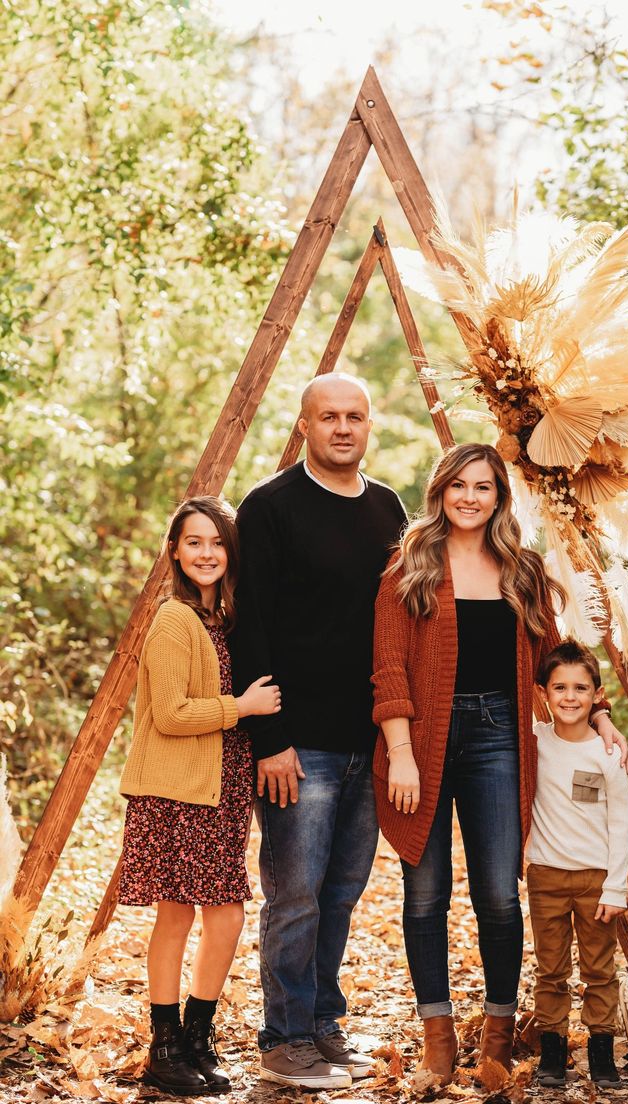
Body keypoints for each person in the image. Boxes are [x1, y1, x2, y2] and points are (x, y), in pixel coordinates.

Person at [370, 442, 628, 1084]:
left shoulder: (524, 571)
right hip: (421, 743)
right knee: (424, 894)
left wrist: (597, 712)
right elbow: (389, 669)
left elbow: (558, 662)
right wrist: (401, 754)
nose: (469, 497)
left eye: (482, 487)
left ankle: (496, 1032)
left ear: (499, 497)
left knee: (496, 894)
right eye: (458, 485)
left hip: (498, 739)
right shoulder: (408, 569)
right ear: (440, 492)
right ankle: (437, 1036)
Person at [230, 373, 406, 1090]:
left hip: (368, 739)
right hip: (300, 747)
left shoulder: (389, 507)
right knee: (295, 894)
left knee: (340, 892)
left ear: (370, 426)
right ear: (303, 425)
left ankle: (324, 1024)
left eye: (354, 416)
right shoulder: (269, 506)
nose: (342, 428)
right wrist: (270, 741)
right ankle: (285, 1036)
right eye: (328, 416)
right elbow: (251, 626)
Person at [119, 496, 281, 1096]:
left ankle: (195, 1035)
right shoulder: (173, 618)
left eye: (216, 543)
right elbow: (169, 713)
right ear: (176, 551)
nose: (206, 553)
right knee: (183, 914)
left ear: (229, 552)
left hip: (220, 789)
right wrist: (243, 707)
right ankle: (165, 1046)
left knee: (222, 916)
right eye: (194, 542)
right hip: (177, 792)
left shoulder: (225, 620)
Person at [528, 639, 628, 1091]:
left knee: (598, 971)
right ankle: (552, 1054)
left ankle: (601, 1054)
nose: (569, 697)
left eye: (580, 688)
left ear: (596, 695)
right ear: (545, 694)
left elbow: (621, 821)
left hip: (595, 880)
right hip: (546, 876)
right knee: (550, 971)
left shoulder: (606, 752)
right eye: (559, 688)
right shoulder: (534, 741)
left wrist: (616, 887)